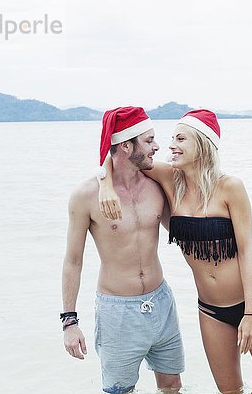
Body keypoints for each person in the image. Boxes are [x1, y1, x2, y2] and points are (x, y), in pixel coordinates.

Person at [98, 110, 252, 394]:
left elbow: (247, 252)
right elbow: (120, 161)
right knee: (229, 392)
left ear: (203, 144)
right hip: (210, 311)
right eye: (172, 138)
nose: (171, 144)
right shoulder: (170, 180)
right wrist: (105, 186)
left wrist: (251, 313)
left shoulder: (230, 187)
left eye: (181, 138)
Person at [61, 106, 184, 394]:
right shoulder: (86, 195)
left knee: (172, 386)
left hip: (162, 302)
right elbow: (73, 261)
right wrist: (69, 322)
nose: (157, 146)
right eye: (149, 140)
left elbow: (181, 231)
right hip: (117, 312)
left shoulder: (156, 183)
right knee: (120, 390)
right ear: (127, 146)